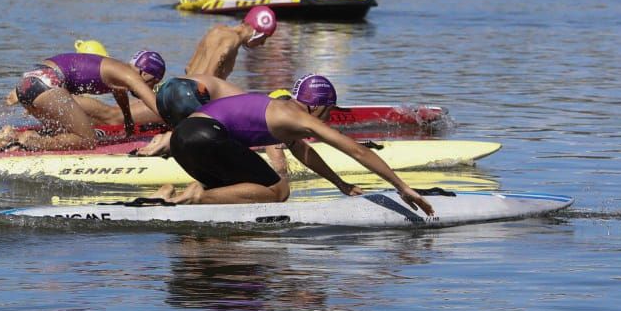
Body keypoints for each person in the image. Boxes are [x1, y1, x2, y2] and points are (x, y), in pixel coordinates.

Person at [140, 73, 434, 214]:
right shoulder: (299, 117)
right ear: (319, 106)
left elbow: (304, 151)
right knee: (279, 190)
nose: (327, 118)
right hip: (206, 135)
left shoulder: (277, 109)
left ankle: (170, 194)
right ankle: (197, 197)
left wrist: (339, 184)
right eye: (329, 111)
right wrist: (402, 186)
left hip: (181, 139)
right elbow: (354, 149)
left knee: (235, 189)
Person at [0, 49, 161, 151]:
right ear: (145, 73)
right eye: (153, 83)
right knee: (87, 140)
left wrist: (128, 120)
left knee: (62, 133)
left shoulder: (120, 70)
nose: (150, 88)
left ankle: (11, 135)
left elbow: (119, 92)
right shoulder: (131, 75)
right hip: (48, 85)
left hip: (31, 81)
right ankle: (27, 140)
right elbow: (155, 104)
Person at [185, 5, 277, 81]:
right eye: (264, 38)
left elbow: (188, 68)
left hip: (181, 85)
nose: (263, 43)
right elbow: (210, 75)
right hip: (196, 94)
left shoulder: (217, 30)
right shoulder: (234, 39)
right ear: (257, 32)